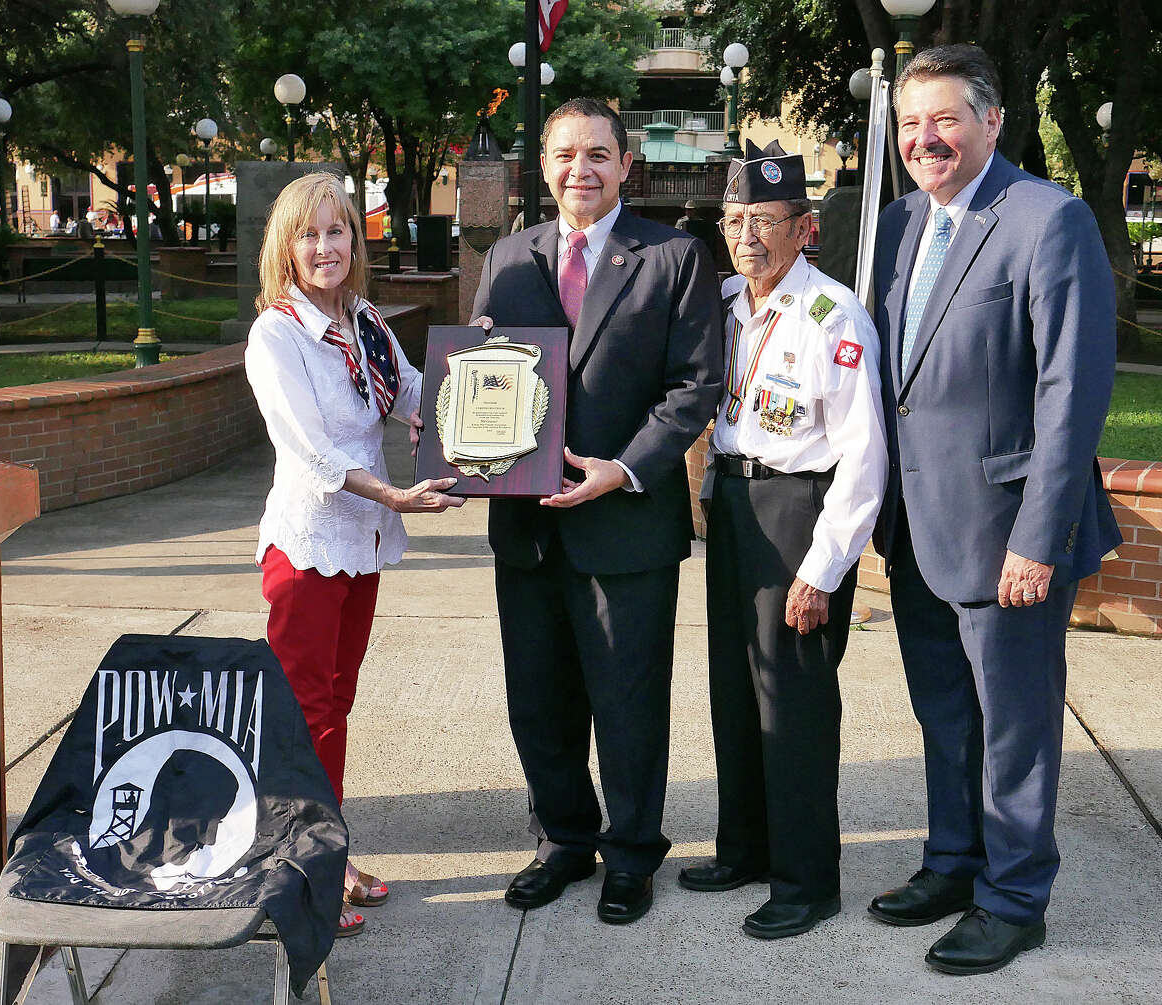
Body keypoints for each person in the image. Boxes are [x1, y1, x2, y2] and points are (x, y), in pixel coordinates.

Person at [868, 44, 1121, 974]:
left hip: (1008, 534)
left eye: (944, 119)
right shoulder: (898, 224)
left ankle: (1015, 899)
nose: (923, 139)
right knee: (945, 714)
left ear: (992, 123)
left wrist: (1037, 537)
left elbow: (1073, 392)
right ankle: (953, 861)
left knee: (1013, 727)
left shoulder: (1048, 220)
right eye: (908, 124)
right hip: (918, 531)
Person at [468, 97, 723, 925]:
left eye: (599, 154)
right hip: (528, 526)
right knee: (537, 698)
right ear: (541, 166)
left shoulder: (675, 256)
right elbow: (484, 372)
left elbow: (696, 386)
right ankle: (564, 839)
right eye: (565, 154)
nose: (582, 169)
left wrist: (622, 468)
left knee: (628, 699)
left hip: (625, 523)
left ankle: (632, 851)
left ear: (626, 165)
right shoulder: (508, 256)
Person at [244, 171, 464, 936]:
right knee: (304, 716)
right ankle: (298, 872)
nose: (325, 246)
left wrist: (482, 366)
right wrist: (397, 496)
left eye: (337, 230)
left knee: (334, 708)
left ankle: (325, 853)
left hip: (358, 545)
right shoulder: (278, 334)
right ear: (287, 246)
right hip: (308, 548)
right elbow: (313, 452)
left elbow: (409, 393)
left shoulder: (362, 318)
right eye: (308, 233)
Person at [683, 139, 886, 939]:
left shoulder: (832, 315)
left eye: (767, 221)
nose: (748, 236)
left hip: (798, 511)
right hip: (734, 506)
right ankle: (745, 848)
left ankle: (806, 879)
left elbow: (865, 459)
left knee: (794, 702)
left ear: (805, 228)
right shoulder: (728, 304)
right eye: (736, 221)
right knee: (736, 687)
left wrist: (825, 569)